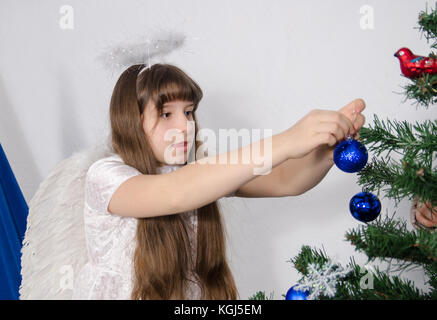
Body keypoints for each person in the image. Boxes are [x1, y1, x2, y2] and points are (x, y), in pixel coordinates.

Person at [71, 63, 366, 300]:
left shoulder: (202, 174)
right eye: (165, 114)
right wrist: (288, 140)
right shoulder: (106, 176)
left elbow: (286, 181)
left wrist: (327, 153)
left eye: (188, 112)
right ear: (130, 121)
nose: (184, 126)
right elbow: (176, 193)